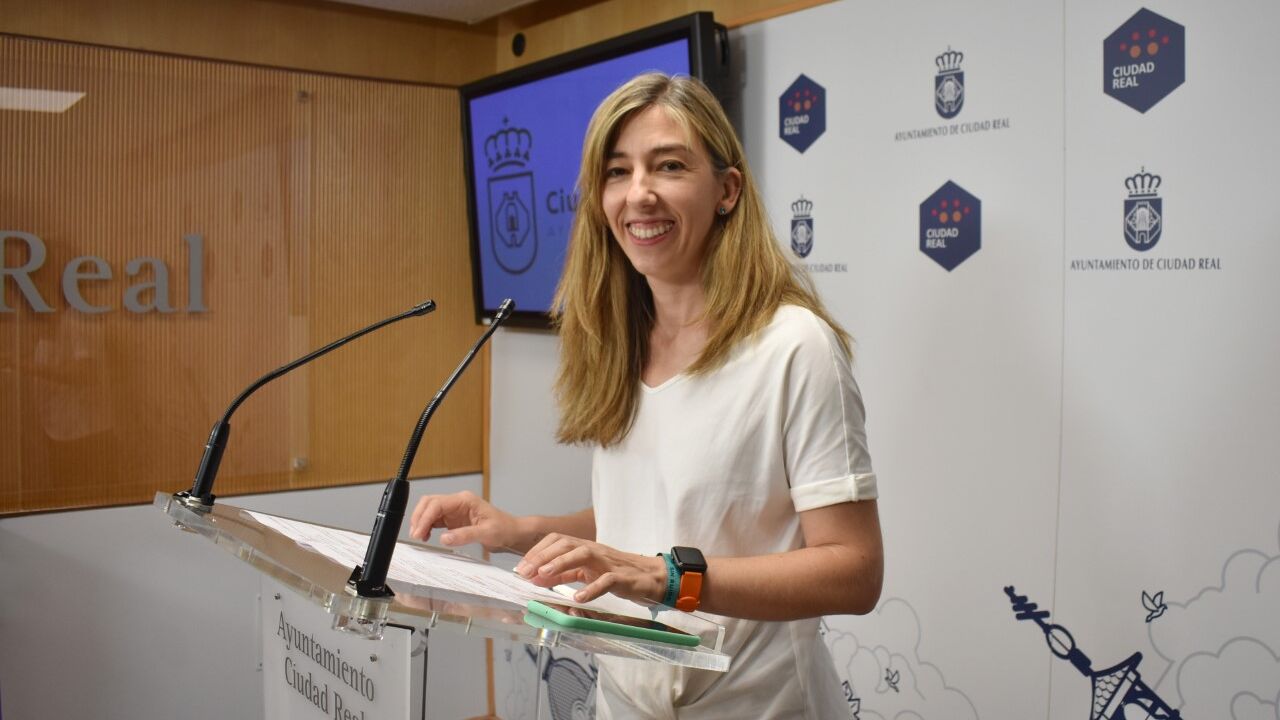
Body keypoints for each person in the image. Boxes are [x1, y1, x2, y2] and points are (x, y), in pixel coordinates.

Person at [410, 72, 883, 719]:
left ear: (727, 190)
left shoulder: (794, 346)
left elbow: (855, 570)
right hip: (626, 700)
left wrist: (666, 577)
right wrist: (521, 531)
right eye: (617, 171)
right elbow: (654, 512)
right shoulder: (616, 342)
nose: (639, 194)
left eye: (669, 166)